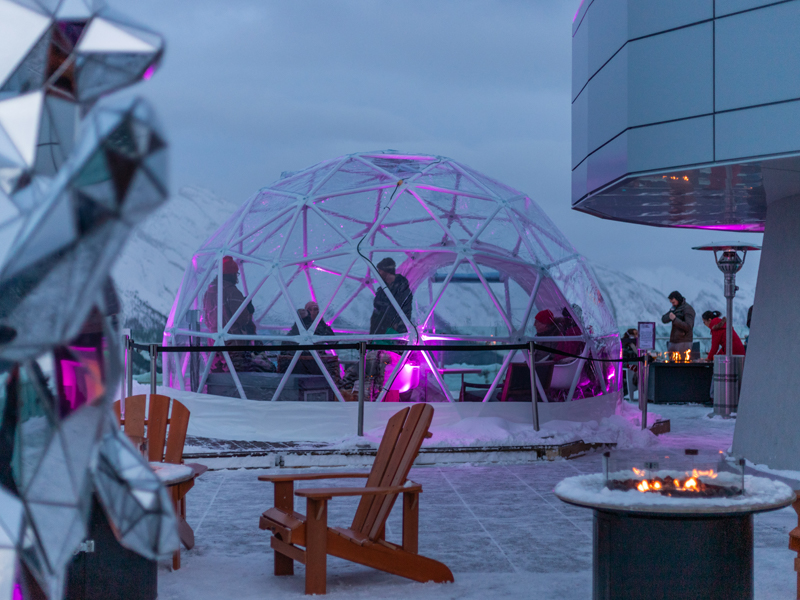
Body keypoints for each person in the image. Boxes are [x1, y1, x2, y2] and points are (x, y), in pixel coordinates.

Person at [203, 256, 275, 372]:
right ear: (231, 274)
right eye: (236, 274)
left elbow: (206, 319)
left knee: (220, 376)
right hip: (233, 343)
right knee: (237, 373)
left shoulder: (209, 292)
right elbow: (242, 318)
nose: (237, 277)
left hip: (214, 343)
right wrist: (248, 310)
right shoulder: (231, 291)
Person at [369, 257, 413, 335]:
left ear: (386, 271)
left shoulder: (402, 288)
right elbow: (377, 311)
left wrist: (397, 327)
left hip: (395, 334)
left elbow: (405, 310)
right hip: (380, 333)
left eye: (380, 271)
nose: (378, 273)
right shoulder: (381, 290)